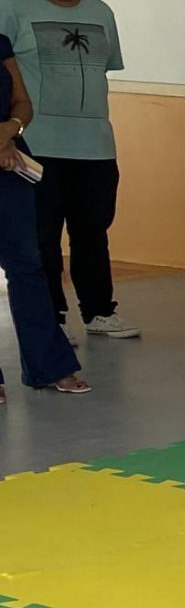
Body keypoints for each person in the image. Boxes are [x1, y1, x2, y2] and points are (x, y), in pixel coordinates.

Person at [0, 0, 133, 339]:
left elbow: (103, 68)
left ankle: (98, 311)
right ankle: (51, 318)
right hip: (37, 144)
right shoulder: (11, 8)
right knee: (41, 237)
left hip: (94, 144)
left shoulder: (100, 11)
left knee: (92, 232)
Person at [0, 32, 87, 396]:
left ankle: (48, 365)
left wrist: (8, 130)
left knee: (27, 264)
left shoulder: (0, 43)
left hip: (8, 160)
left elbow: (22, 103)